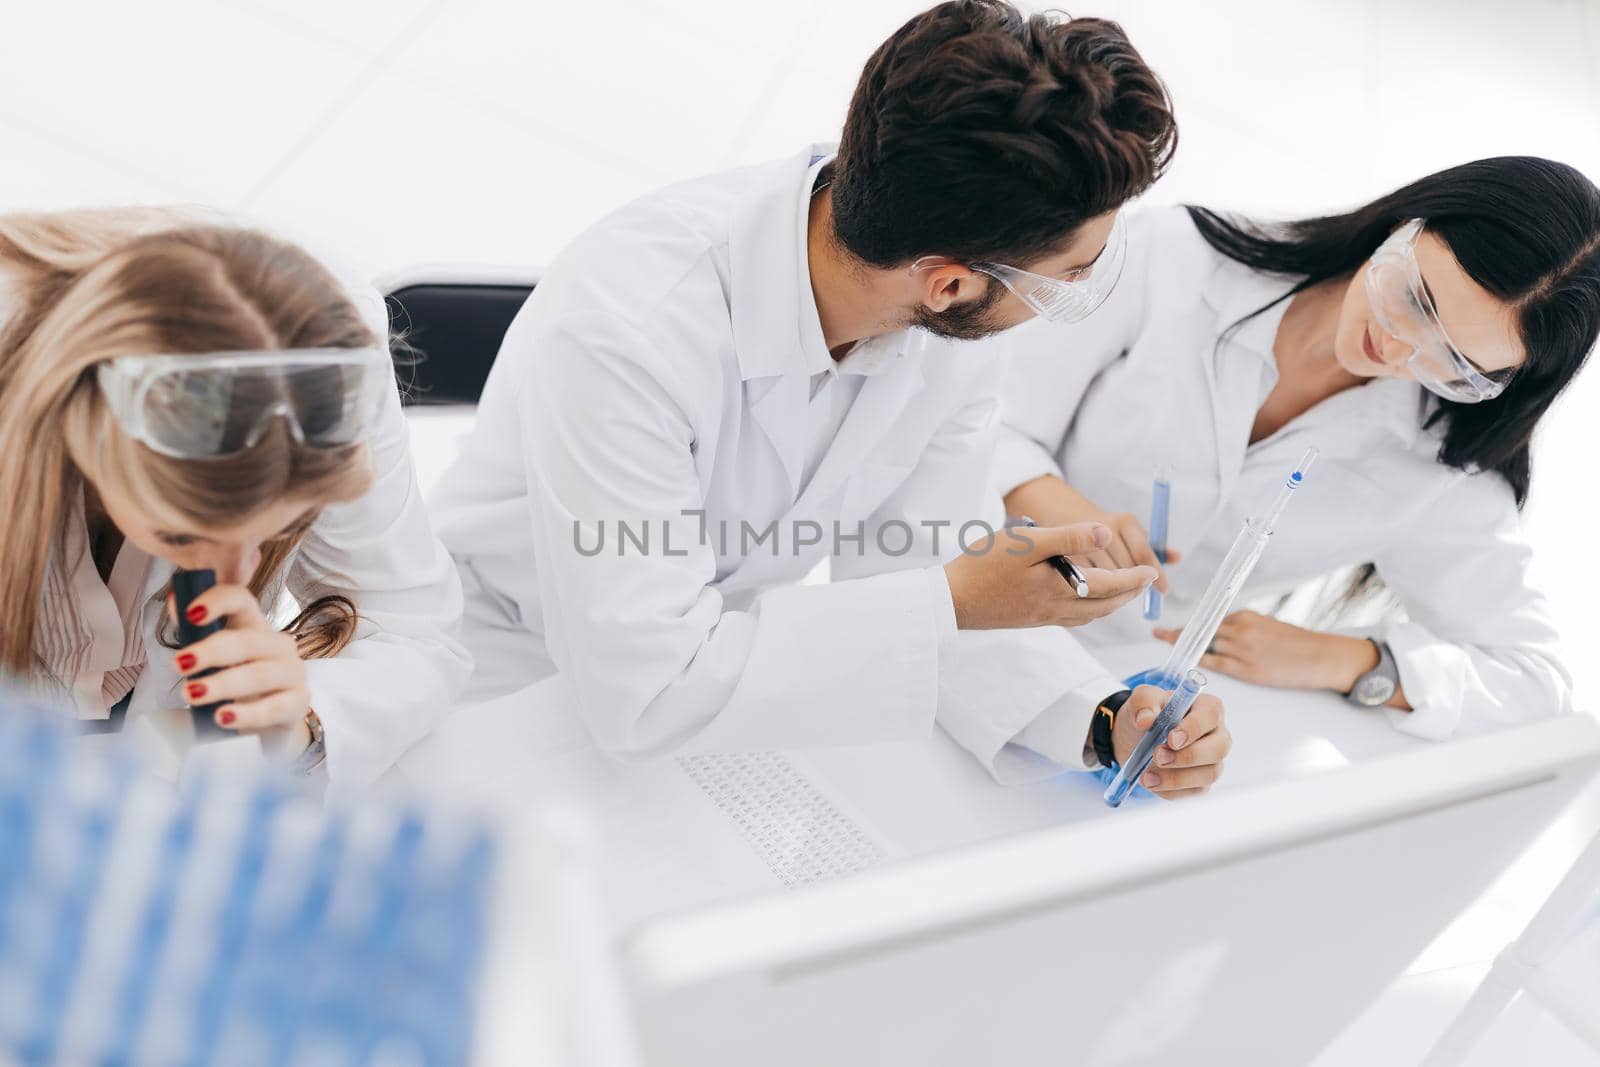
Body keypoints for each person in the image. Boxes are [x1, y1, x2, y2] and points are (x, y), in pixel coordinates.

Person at [428, 0, 1231, 795]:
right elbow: (647, 687)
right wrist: (951, 598)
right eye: (1073, 277)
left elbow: (923, 559)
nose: (1072, 293)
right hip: (499, 672)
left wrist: (1100, 718)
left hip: (710, 688)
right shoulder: (630, 327)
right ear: (949, 281)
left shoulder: (940, 315)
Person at [996, 156, 1600, 740]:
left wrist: (1344, 660)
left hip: (1135, 705)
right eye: (1416, 300)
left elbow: (1537, 682)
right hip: (984, 588)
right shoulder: (1177, 257)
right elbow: (976, 411)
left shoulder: (1442, 470)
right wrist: (1049, 498)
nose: (1398, 350)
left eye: (1455, 362)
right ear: (1406, 223)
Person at [0, 208, 471, 794]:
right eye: (182, 534)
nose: (236, 575)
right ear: (86, 434)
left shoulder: (322, 362)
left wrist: (296, 720)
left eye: (282, 526)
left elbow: (413, 631)